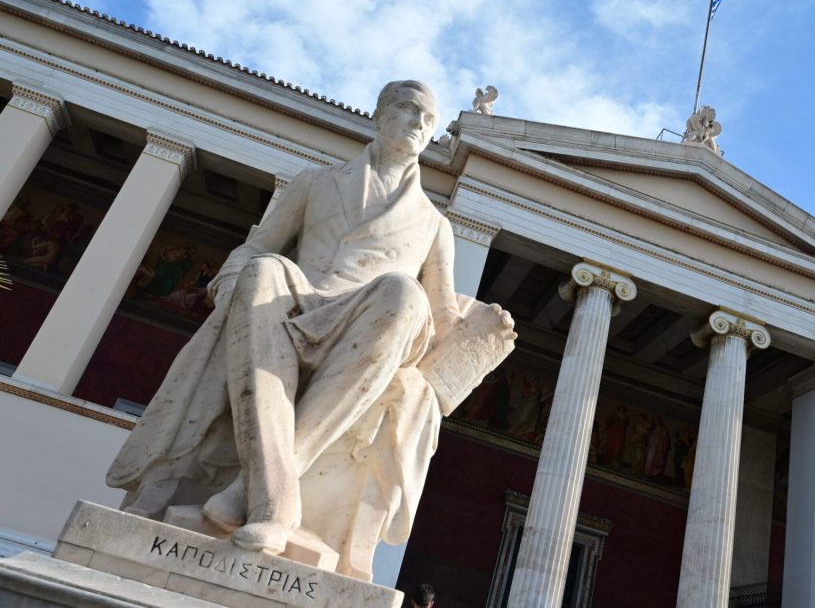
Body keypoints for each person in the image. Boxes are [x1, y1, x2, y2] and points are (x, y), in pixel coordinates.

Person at [107, 80, 515, 580]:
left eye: (428, 120)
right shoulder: (315, 182)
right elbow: (257, 247)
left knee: (404, 294)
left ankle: (257, 491)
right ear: (380, 115)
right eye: (408, 110)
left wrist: (484, 336)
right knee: (263, 272)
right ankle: (273, 496)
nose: (417, 124)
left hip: (372, 321)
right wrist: (231, 284)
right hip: (296, 301)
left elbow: (440, 313)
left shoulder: (434, 224)